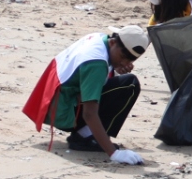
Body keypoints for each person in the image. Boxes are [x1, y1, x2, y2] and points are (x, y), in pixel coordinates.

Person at [22, 26, 150, 162]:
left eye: (130, 60)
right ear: (113, 43)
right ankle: (84, 136)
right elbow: (89, 114)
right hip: (62, 112)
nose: (124, 63)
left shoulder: (99, 38)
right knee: (130, 85)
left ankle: (86, 133)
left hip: (51, 101)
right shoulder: (96, 63)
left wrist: (115, 65)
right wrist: (114, 154)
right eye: (123, 57)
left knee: (124, 82)